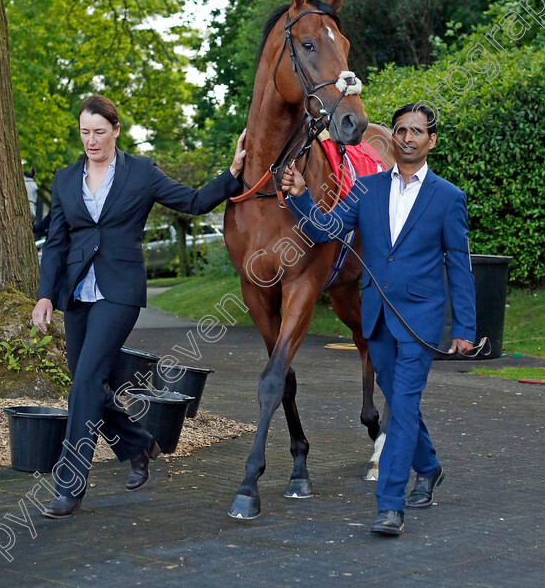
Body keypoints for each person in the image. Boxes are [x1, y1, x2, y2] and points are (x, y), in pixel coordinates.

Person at [32, 95, 246, 519]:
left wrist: (233, 173)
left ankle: (70, 485)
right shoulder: (64, 178)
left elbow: (194, 201)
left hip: (120, 292)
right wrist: (45, 295)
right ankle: (138, 444)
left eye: (98, 131)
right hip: (77, 294)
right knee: (88, 383)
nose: (90, 140)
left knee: (86, 380)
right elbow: (56, 244)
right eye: (84, 133)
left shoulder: (141, 172)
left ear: (115, 130)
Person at [281, 103, 476, 537]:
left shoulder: (448, 198)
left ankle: (390, 505)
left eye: (417, 131)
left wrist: (464, 327)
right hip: (377, 318)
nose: (407, 137)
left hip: (420, 321)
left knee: (401, 407)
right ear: (393, 139)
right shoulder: (364, 190)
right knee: (398, 399)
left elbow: (459, 267)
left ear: (431, 141)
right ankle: (428, 466)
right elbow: (325, 230)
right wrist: (299, 197)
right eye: (401, 130)